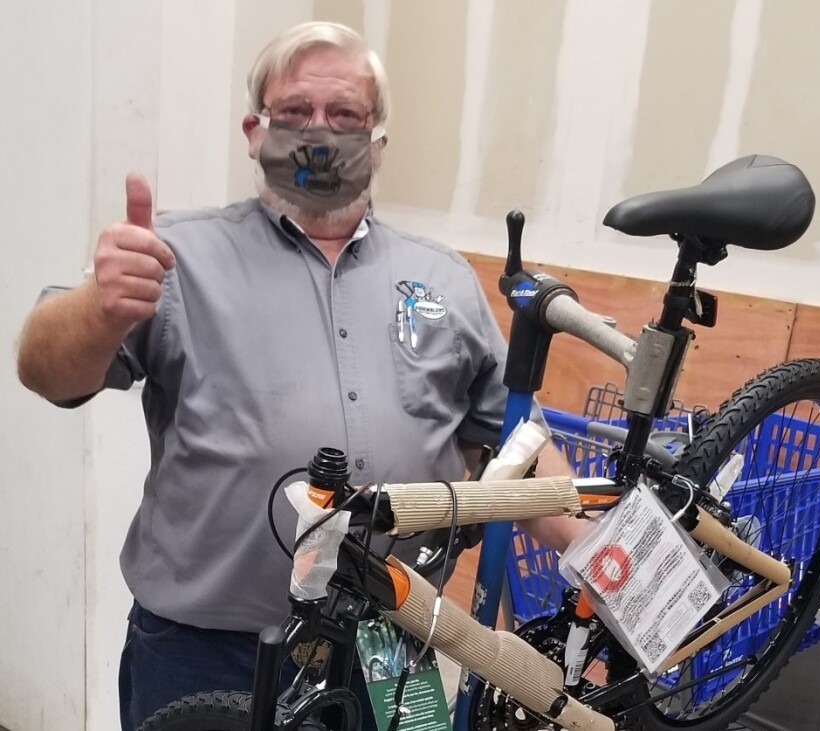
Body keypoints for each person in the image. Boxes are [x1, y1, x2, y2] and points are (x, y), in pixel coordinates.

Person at [16, 20, 582, 730]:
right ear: (254, 131)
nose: (320, 130)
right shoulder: (178, 258)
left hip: (389, 652)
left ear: (377, 140)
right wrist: (98, 312)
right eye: (295, 112)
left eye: (344, 114)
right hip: (205, 653)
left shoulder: (443, 280)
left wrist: (602, 556)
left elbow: (515, 452)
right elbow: (44, 369)